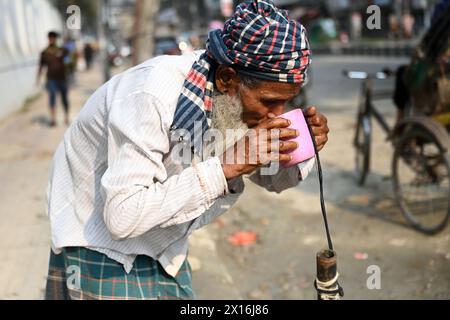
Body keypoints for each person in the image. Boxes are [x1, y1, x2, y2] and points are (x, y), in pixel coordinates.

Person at [44, 0, 330, 300]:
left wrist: (301, 149)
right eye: (270, 101)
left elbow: (273, 181)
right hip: (100, 244)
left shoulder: (233, 101)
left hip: (163, 244)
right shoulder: (152, 95)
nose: (277, 114)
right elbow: (122, 216)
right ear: (227, 79)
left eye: (286, 102)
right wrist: (226, 167)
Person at [36, 31, 70, 127]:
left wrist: (64, 44)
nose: (52, 39)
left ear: (56, 39)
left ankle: (66, 116)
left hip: (62, 78)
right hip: (51, 79)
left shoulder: (61, 50)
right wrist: (38, 78)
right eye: (50, 37)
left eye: (54, 37)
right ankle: (53, 119)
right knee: (52, 98)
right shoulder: (44, 52)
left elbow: (68, 53)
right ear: (48, 39)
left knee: (64, 98)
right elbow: (41, 66)